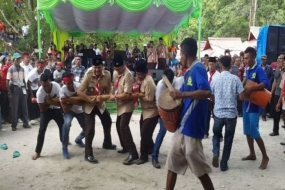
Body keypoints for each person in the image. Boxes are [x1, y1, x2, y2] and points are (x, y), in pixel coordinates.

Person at [166, 38, 214, 190]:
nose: (179, 57)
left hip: (192, 129)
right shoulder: (188, 73)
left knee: (200, 171)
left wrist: (181, 95)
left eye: (180, 54)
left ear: (185, 54)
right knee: (172, 164)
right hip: (182, 127)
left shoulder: (198, 68)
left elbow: (206, 91)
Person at [77, 55, 116, 164]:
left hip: (99, 104)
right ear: (92, 67)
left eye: (99, 67)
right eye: (95, 67)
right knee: (90, 129)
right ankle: (88, 154)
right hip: (89, 105)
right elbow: (80, 91)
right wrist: (90, 101)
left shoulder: (107, 75)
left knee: (107, 121)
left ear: (102, 67)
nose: (97, 69)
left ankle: (107, 143)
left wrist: (103, 97)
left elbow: (107, 91)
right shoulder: (88, 75)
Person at [211, 56, 244, 171]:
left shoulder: (216, 79)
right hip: (231, 114)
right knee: (228, 139)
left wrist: (217, 101)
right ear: (230, 65)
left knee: (216, 135)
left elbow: (211, 95)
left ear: (220, 66)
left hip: (218, 114)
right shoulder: (235, 79)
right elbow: (241, 97)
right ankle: (224, 164)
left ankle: (216, 152)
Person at [242, 47, 270, 170]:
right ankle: (252, 153)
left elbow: (266, 84)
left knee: (254, 131)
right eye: (244, 58)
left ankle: (265, 156)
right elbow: (246, 83)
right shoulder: (247, 69)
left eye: (247, 58)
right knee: (247, 132)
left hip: (254, 106)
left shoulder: (258, 70)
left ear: (253, 57)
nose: (245, 60)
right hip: (246, 105)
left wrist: (252, 88)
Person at [109, 55, 139, 165]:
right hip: (120, 104)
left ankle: (134, 153)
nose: (117, 70)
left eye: (119, 68)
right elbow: (115, 87)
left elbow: (127, 95)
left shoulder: (128, 75)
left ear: (124, 65)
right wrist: (113, 94)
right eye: (116, 69)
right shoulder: (115, 72)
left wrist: (115, 97)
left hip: (127, 104)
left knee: (123, 126)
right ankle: (125, 147)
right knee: (118, 125)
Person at [152, 69, 183, 169]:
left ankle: (182, 158)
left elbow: (181, 99)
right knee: (162, 131)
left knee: (181, 133)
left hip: (178, 111)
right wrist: (163, 116)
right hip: (164, 112)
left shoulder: (178, 82)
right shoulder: (160, 85)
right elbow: (158, 102)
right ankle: (154, 157)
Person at [132, 59, 159, 165]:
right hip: (145, 111)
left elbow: (149, 99)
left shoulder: (148, 82)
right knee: (145, 133)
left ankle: (143, 156)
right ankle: (151, 149)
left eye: (139, 74)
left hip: (152, 112)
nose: (138, 76)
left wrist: (137, 95)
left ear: (144, 73)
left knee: (144, 133)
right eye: (137, 74)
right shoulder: (142, 79)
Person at [32, 73, 64, 160]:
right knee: (42, 130)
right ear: (41, 83)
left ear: (50, 81)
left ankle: (64, 143)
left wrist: (49, 102)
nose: (46, 87)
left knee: (62, 126)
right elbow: (42, 109)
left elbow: (61, 103)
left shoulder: (56, 86)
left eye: (47, 85)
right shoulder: (39, 93)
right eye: (44, 85)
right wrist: (49, 102)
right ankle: (38, 152)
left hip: (56, 109)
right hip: (45, 112)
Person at [59, 72, 86, 159]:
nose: (70, 85)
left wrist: (68, 100)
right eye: (68, 83)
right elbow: (65, 109)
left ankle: (78, 139)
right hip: (69, 111)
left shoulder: (79, 86)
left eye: (71, 82)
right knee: (66, 125)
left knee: (88, 128)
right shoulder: (62, 91)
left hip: (80, 110)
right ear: (64, 82)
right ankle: (64, 148)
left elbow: (83, 103)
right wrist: (73, 100)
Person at [6, 53, 31, 131]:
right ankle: (14, 125)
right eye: (17, 59)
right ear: (14, 60)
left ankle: (26, 123)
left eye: (19, 59)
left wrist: (26, 90)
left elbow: (24, 80)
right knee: (14, 107)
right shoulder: (11, 69)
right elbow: (7, 81)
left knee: (25, 107)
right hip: (15, 89)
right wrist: (9, 92)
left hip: (22, 88)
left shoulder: (22, 69)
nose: (18, 60)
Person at [206, 57, 220, 138]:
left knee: (216, 116)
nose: (211, 66)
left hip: (215, 98)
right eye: (210, 64)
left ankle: (218, 133)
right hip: (207, 98)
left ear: (215, 65)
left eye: (212, 64)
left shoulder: (218, 75)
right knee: (206, 116)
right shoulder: (206, 74)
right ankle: (205, 132)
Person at [270, 54, 284, 136]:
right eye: (279, 58)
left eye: (282, 59)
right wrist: (271, 93)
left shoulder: (283, 70)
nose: (280, 60)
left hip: (283, 94)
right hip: (277, 93)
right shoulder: (277, 70)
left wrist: (282, 70)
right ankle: (275, 130)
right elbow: (275, 82)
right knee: (276, 113)